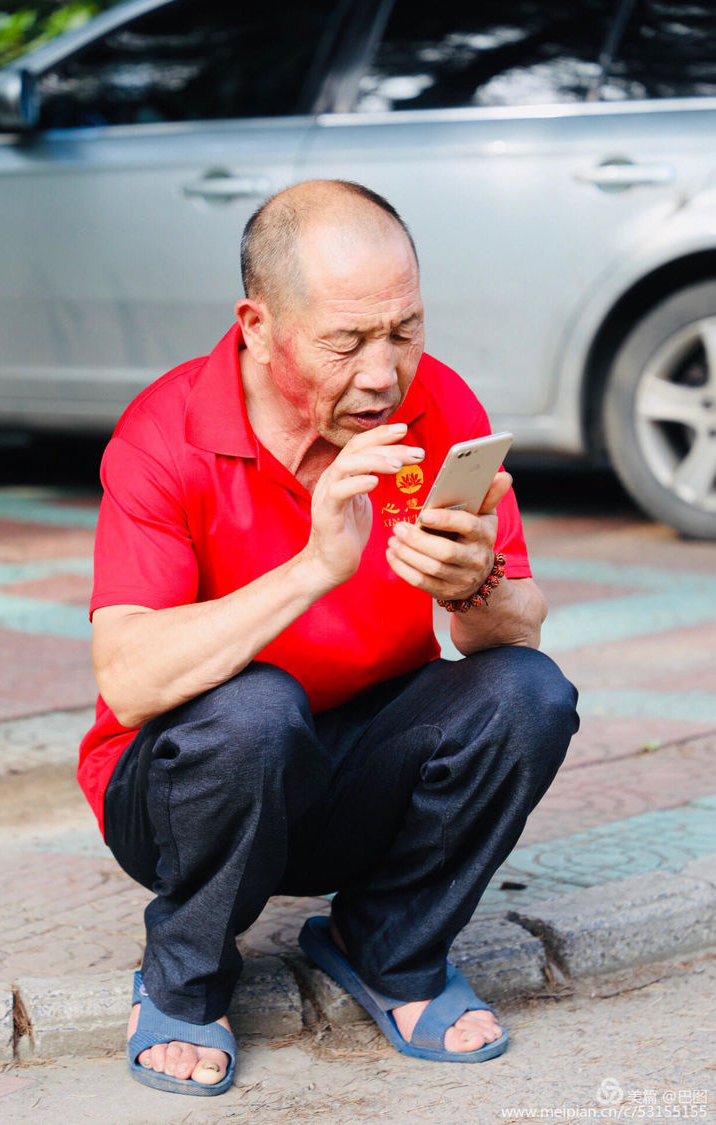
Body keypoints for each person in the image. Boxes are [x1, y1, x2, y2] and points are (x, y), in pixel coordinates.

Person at [78, 179, 579, 1097]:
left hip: (353, 773)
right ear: (259, 326)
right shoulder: (167, 434)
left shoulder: (436, 408)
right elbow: (129, 679)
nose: (384, 372)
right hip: (186, 789)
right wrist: (315, 565)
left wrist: (476, 583)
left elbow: (520, 633)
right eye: (346, 341)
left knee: (532, 690)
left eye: (403, 330)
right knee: (257, 711)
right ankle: (184, 977)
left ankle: (386, 941)